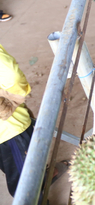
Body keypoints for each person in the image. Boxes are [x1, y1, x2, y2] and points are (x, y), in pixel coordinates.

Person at [0, 43, 66, 198]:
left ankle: (41, 180)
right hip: (10, 129)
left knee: (10, 165)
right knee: (24, 182)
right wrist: (15, 97)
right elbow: (12, 76)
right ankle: (36, 191)